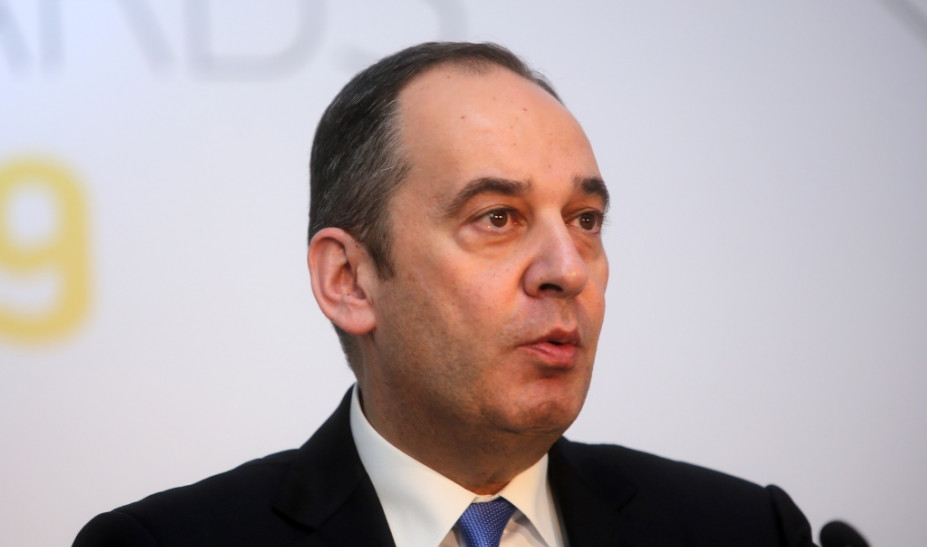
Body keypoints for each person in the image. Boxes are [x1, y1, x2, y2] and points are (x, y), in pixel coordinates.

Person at [74, 42, 816, 546]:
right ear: (349, 280)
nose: (568, 268)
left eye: (585, 220)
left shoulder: (744, 529)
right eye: (497, 218)